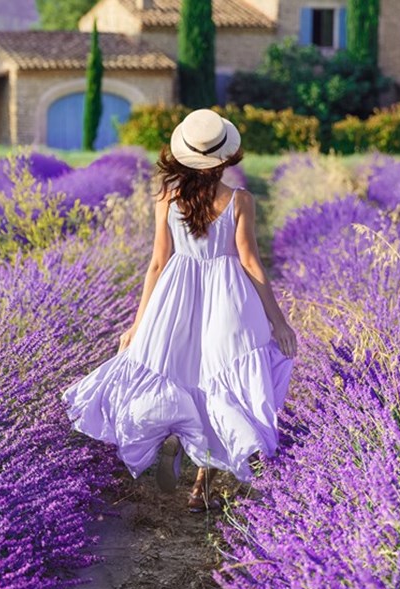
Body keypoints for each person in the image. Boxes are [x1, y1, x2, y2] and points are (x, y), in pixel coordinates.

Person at [62, 108, 297, 513]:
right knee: (220, 379)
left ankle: (174, 433)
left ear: (183, 154)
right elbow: (251, 262)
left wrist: (138, 325)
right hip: (227, 297)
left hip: (176, 292)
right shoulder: (239, 200)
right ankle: (201, 483)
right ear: (225, 156)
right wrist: (278, 320)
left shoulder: (167, 198)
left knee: (176, 370)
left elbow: (156, 263)